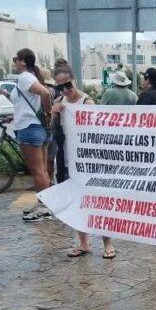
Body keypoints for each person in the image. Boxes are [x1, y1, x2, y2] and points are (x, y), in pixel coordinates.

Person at [50, 70, 116, 259]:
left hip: (90, 162)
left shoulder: (87, 102)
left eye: (68, 85)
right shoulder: (60, 103)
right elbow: (53, 132)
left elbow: (97, 131)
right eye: (60, 87)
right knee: (77, 203)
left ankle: (108, 243)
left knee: (99, 202)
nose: (65, 90)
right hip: (69, 161)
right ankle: (83, 243)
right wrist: (54, 114)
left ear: (75, 80)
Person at [2, 48, 53, 222]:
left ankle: (43, 207)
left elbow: (45, 94)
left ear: (23, 61)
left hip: (30, 128)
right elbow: (24, 102)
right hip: (39, 128)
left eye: (15, 58)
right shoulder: (32, 77)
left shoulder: (25, 77)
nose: (14, 61)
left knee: (37, 171)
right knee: (43, 170)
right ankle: (44, 204)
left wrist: (48, 112)